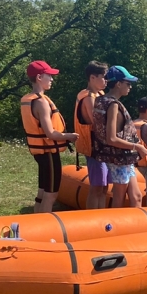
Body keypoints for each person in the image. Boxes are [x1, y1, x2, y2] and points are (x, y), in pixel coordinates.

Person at [20, 60, 77, 214]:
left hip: (40, 153)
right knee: (51, 194)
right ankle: (44, 226)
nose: (52, 79)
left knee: (42, 190)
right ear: (39, 77)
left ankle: (35, 220)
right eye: (49, 76)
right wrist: (70, 136)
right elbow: (50, 133)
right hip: (49, 153)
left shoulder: (28, 99)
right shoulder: (41, 102)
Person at [92, 66, 147, 209]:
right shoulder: (113, 105)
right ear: (118, 84)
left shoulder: (100, 100)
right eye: (128, 83)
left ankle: (139, 228)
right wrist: (138, 146)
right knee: (119, 199)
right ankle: (116, 228)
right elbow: (111, 139)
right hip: (118, 158)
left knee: (136, 197)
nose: (130, 87)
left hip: (123, 158)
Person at [73, 61, 108, 209]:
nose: (106, 81)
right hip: (94, 147)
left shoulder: (99, 94)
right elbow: (97, 122)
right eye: (103, 77)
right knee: (97, 187)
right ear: (92, 78)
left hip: (103, 146)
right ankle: (93, 219)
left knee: (105, 186)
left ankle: (102, 217)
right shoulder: (88, 97)